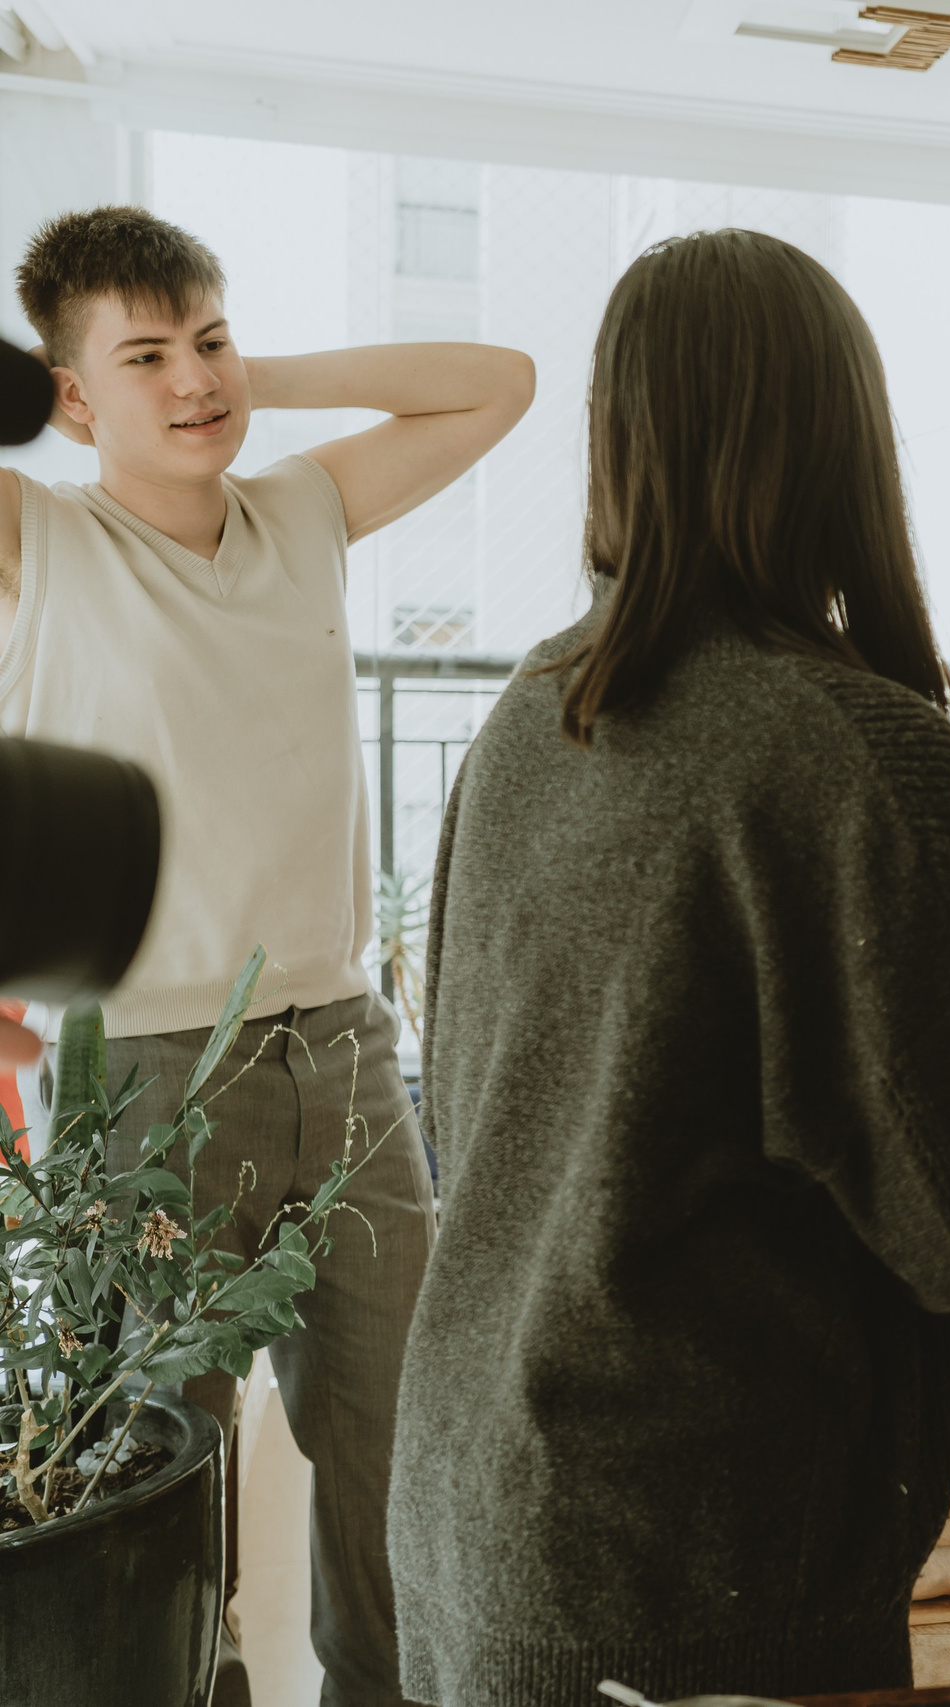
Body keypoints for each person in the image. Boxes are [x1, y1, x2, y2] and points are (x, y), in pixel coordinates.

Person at [385, 230, 950, 1706]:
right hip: (697, 1560)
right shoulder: (849, 746)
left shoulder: (533, 712)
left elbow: (487, 1102)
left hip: (479, 1502)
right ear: (840, 442)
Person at [2, 206, 533, 1707]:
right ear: (71, 393)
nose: (194, 377)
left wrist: (249, 381)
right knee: (154, 1466)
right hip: (145, 1074)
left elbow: (499, 381)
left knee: (395, 1442)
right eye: (146, 356)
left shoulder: (301, 508)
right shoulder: (40, 538)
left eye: (211, 338)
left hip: (344, 1047)